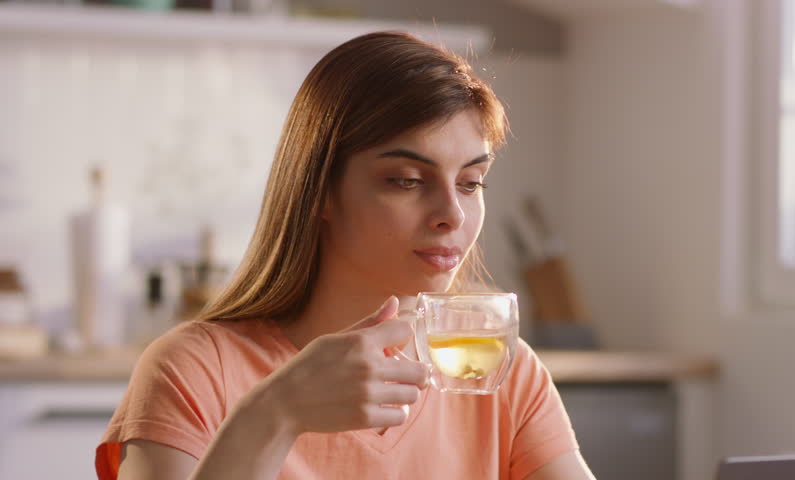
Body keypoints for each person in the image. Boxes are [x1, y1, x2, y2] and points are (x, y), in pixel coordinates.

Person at [95, 31, 594, 480]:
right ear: (319, 193)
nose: (452, 216)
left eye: (470, 183)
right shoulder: (195, 369)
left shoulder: (498, 372)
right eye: (406, 180)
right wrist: (276, 413)